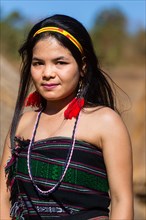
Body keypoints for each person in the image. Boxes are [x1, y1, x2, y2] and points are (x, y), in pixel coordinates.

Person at [0, 14, 133, 220]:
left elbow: (121, 199)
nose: (47, 73)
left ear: (83, 67)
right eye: (38, 63)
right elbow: (2, 196)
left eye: (60, 62)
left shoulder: (105, 122)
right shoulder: (22, 124)